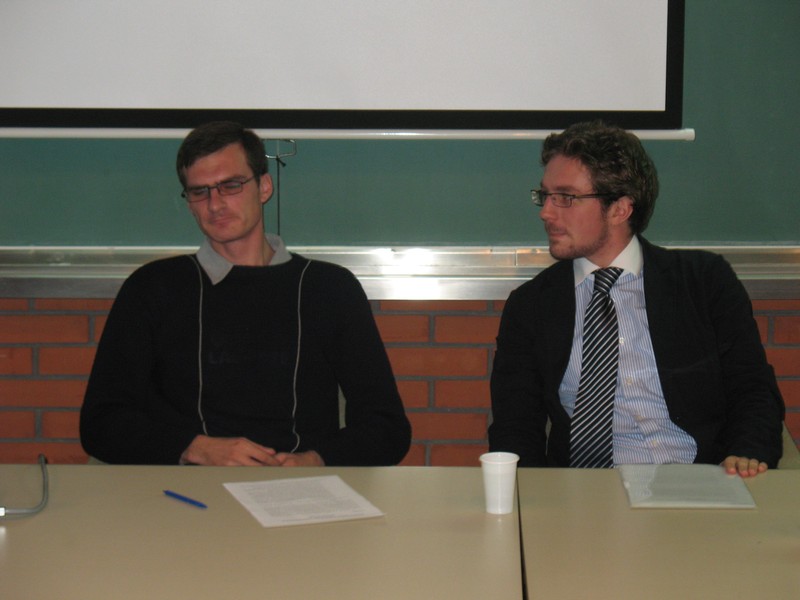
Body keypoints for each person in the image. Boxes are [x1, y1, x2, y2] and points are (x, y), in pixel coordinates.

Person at [80, 121, 411, 466]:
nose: (215, 204)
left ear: (264, 187)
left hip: (300, 485)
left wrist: (315, 460)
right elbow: (100, 423)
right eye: (200, 192)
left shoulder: (329, 289)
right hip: (187, 487)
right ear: (189, 203)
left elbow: (387, 428)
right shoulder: (152, 288)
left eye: (231, 185)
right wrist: (196, 449)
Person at [489, 121, 784, 477]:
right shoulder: (530, 306)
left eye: (566, 198)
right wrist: (532, 496)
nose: (546, 212)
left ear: (620, 209)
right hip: (584, 489)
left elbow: (752, 388)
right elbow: (515, 425)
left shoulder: (704, 283)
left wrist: (746, 453)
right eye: (545, 195)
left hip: (697, 480)